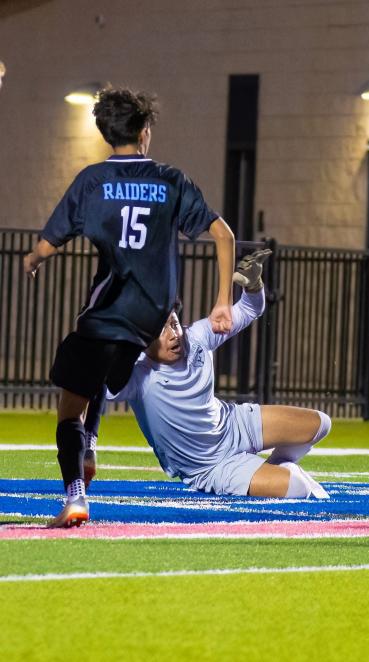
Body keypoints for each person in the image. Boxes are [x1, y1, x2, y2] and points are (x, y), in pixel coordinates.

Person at [22, 87, 236, 528]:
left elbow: (49, 242)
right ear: (143, 131)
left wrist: (32, 260)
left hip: (110, 310)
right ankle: (94, 441)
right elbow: (224, 235)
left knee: (69, 408)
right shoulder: (170, 180)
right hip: (153, 320)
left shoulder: (93, 180)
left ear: (107, 133)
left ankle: (75, 495)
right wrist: (221, 302)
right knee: (103, 371)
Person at [102, 249, 332, 499]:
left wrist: (253, 286)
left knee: (320, 424)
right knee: (297, 488)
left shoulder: (198, 336)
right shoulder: (138, 375)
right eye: (162, 329)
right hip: (210, 467)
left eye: (174, 322)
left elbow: (249, 310)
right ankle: (270, 473)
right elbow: (101, 387)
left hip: (233, 425)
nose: (174, 334)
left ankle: (269, 469)